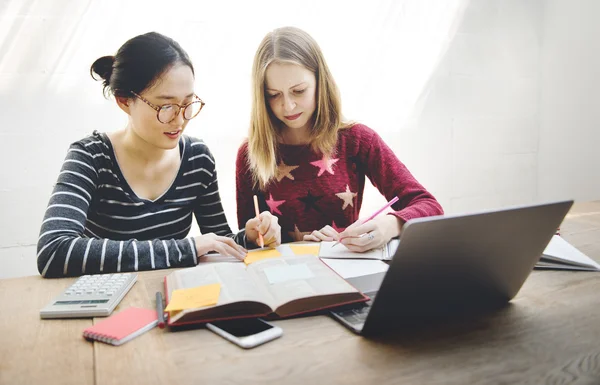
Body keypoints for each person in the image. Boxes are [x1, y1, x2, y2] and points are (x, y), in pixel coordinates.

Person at [37, 32, 280, 278]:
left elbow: (218, 241)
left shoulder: (197, 159)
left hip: (173, 299)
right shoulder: (91, 156)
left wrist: (249, 237)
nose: (180, 119)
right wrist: (185, 249)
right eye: (166, 106)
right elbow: (54, 251)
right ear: (124, 101)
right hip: (104, 305)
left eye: (188, 103)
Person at [236, 26, 442, 253]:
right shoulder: (250, 154)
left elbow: (430, 206)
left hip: (347, 273)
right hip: (286, 279)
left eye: (299, 90)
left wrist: (388, 225)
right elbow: (248, 244)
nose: (288, 105)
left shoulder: (357, 140)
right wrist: (257, 235)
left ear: (320, 82)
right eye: (273, 95)